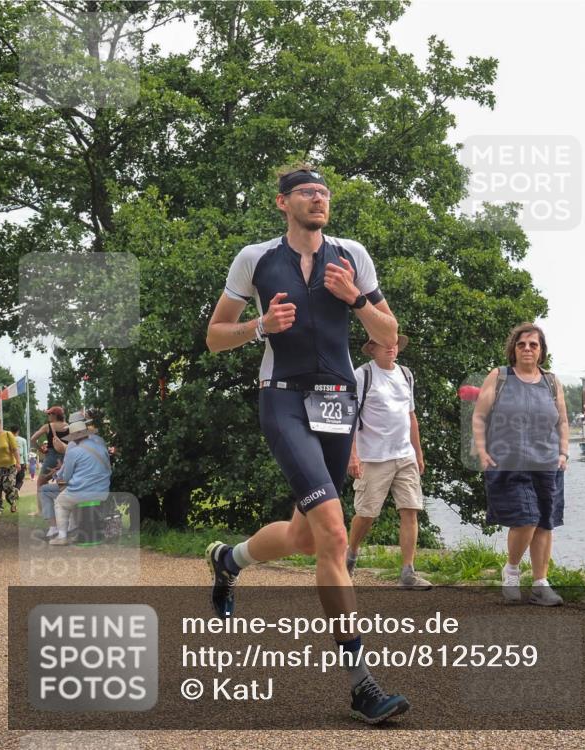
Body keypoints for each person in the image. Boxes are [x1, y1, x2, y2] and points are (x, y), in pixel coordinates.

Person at [205, 163, 408, 724]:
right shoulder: (255, 259)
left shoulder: (353, 256)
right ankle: (362, 683)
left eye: (323, 192)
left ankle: (229, 559)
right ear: (282, 203)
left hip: (338, 399)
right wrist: (259, 328)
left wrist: (355, 301)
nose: (318, 199)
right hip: (285, 397)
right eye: (306, 192)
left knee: (304, 533)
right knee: (334, 535)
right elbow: (215, 339)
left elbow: (389, 335)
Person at [472, 323, 570, 606]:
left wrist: (563, 453)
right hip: (509, 462)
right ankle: (512, 569)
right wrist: (482, 451)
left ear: (541, 351)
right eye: (522, 344)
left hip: (548, 462)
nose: (527, 349)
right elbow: (479, 417)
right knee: (526, 518)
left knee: (544, 523)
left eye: (533, 345)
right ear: (513, 349)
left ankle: (540, 583)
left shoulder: (552, 382)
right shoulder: (500, 376)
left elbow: (562, 421)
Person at [346, 335, 432, 590]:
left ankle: (407, 572)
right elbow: (350, 416)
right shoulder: (362, 375)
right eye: (385, 344)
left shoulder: (406, 374)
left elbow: (411, 416)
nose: (392, 348)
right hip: (373, 457)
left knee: (410, 509)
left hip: (404, 454)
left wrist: (418, 454)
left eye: (394, 343)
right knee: (367, 514)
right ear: (372, 349)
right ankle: (351, 554)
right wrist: (353, 455)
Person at [44, 411, 111, 546]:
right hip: (104, 490)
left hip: (84, 492)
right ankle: (76, 531)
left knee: (61, 502)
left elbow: (66, 477)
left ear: (73, 436)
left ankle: (62, 536)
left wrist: (58, 476)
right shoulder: (100, 443)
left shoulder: (73, 451)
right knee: (71, 496)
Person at [30, 407, 69, 515]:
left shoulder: (48, 426)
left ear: (54, 415)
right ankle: (64, 509)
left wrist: (40, 449)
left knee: (41, 483)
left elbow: (33, 439)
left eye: (49, 414)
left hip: (51, 457)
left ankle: (41, 510)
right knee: (62, 484)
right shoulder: (68, 426)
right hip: (66, 457)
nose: (48, 416)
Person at [0, 416, 21, 513]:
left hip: (9, 466)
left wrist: (18, 462)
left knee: (8, 486)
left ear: (0, 424)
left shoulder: (8, 434)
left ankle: (13, 502)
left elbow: (15, 450)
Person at [11, 425, 29, 492]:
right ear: (18, 431)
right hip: (20, 462)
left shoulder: (9, 439)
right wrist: (26, 463)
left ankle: (12, 491)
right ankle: (17, 489)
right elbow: (25, 453)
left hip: (11, 463)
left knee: (12, 478)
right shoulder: (23, 440)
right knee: (20, 479)